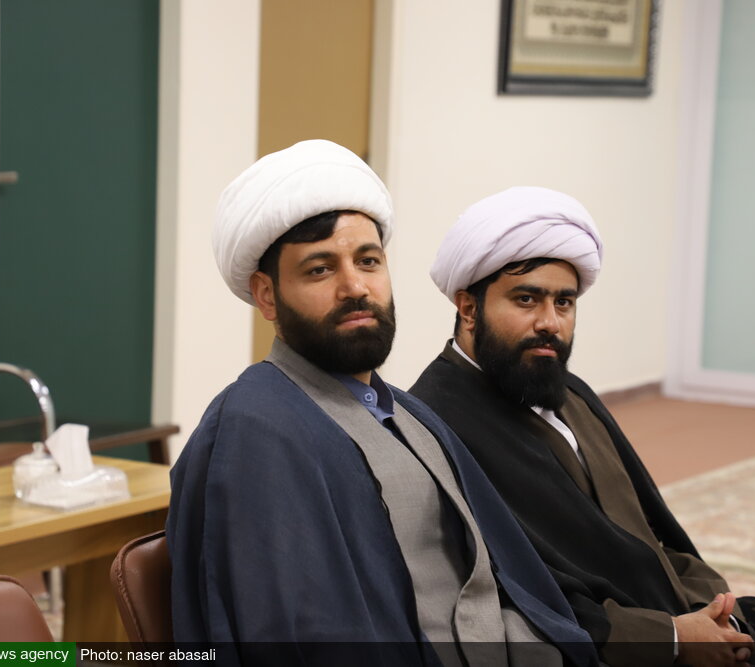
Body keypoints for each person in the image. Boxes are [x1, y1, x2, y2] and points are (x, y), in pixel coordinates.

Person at [166, 143, 598, 667]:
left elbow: (504, 578)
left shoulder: (409, 414)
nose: (355, 287)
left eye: (368, 262)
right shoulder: (255, 432)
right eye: (320, 269)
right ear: (267, 295)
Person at [410, 187, 755, 667]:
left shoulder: (568, 393)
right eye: (527, 299)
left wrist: (716, 612)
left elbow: (649, 536)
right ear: (469, 308)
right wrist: (671, 638)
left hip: (679, 610)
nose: (550, 322)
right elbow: (507, 591)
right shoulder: (435, 423)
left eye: (564, 303)